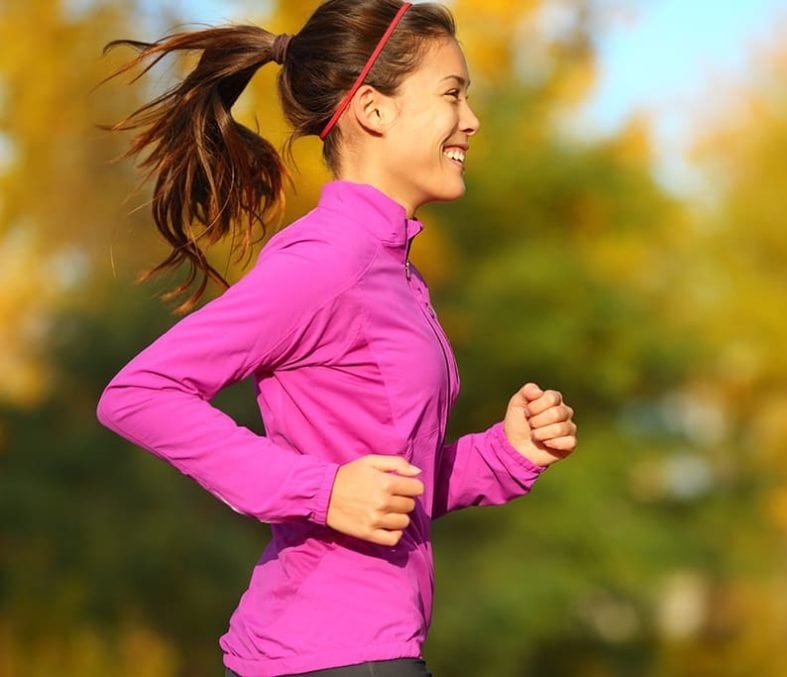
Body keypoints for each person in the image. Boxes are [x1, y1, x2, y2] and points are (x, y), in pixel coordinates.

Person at [95, 1, 578, 675]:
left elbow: (388, 486)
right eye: (451, 94)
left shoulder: (392, 271)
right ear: (373, 111)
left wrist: (504, 453)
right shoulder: (327, 262)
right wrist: (319, 491)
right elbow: (137, 393)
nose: (470, 119)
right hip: (338, 656)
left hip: (359, 648)